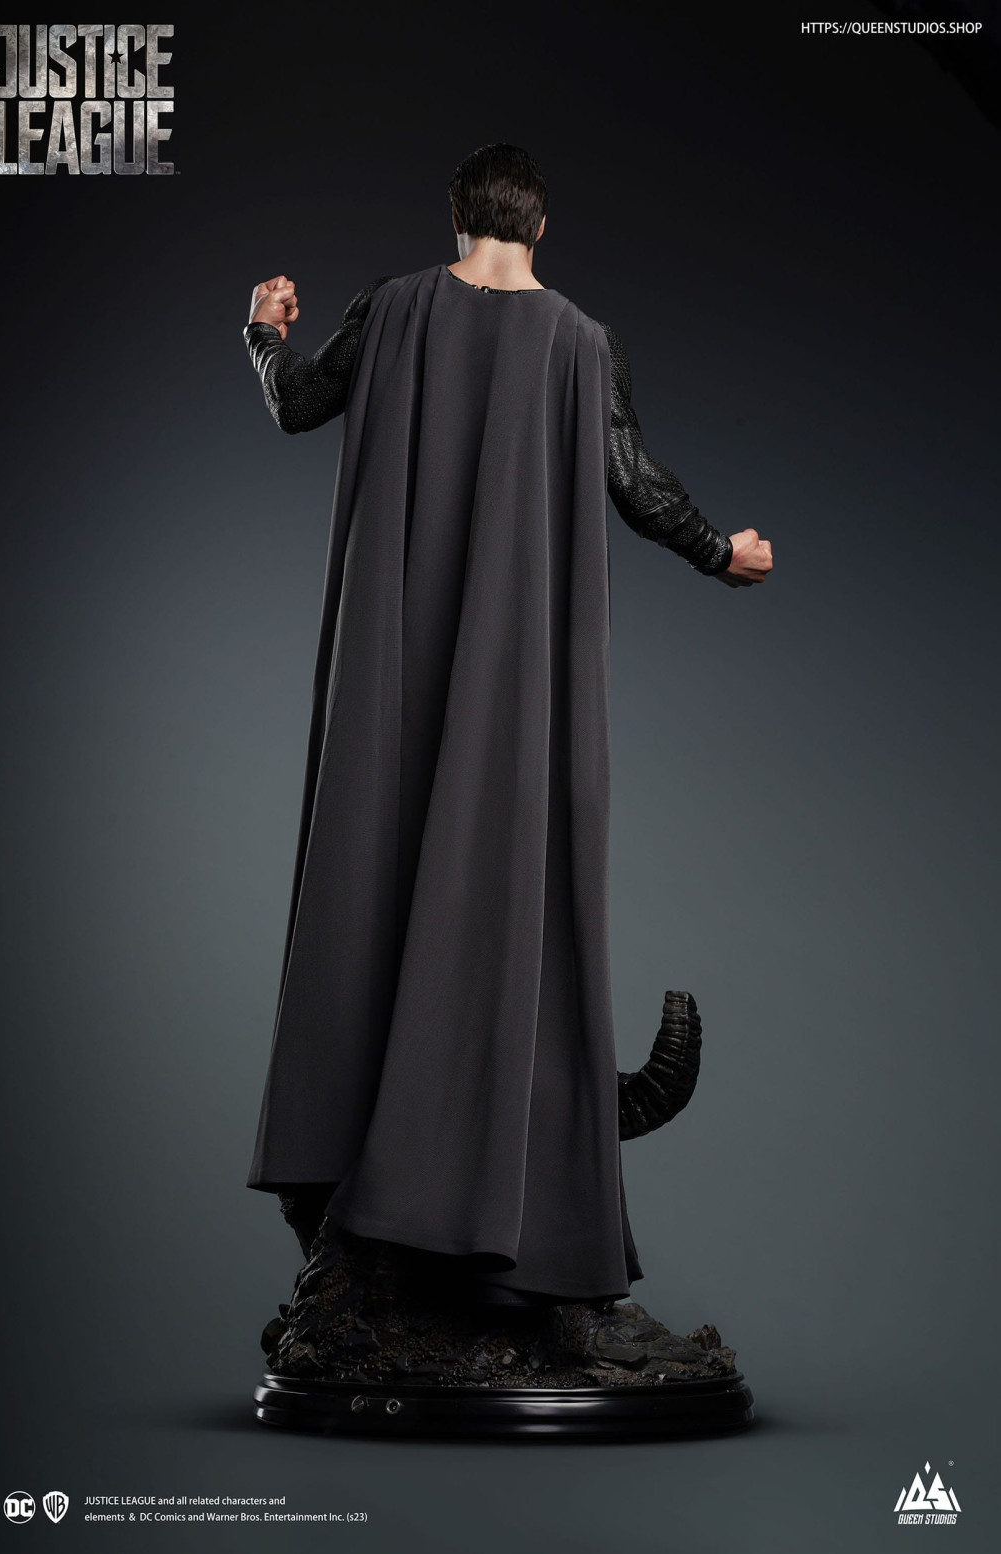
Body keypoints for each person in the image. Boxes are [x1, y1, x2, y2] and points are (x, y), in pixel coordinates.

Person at [240, 143, 772, 1314]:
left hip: (391, 674)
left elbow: (296, 405)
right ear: (540, 228)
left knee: (371, 881)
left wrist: (262, 334)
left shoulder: (389, 308)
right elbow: (632, 479)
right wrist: (718, 550)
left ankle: (365, 1188)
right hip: (512, 681)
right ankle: (469, 1189)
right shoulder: (581, 341)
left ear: (459, 219)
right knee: (505, 888)